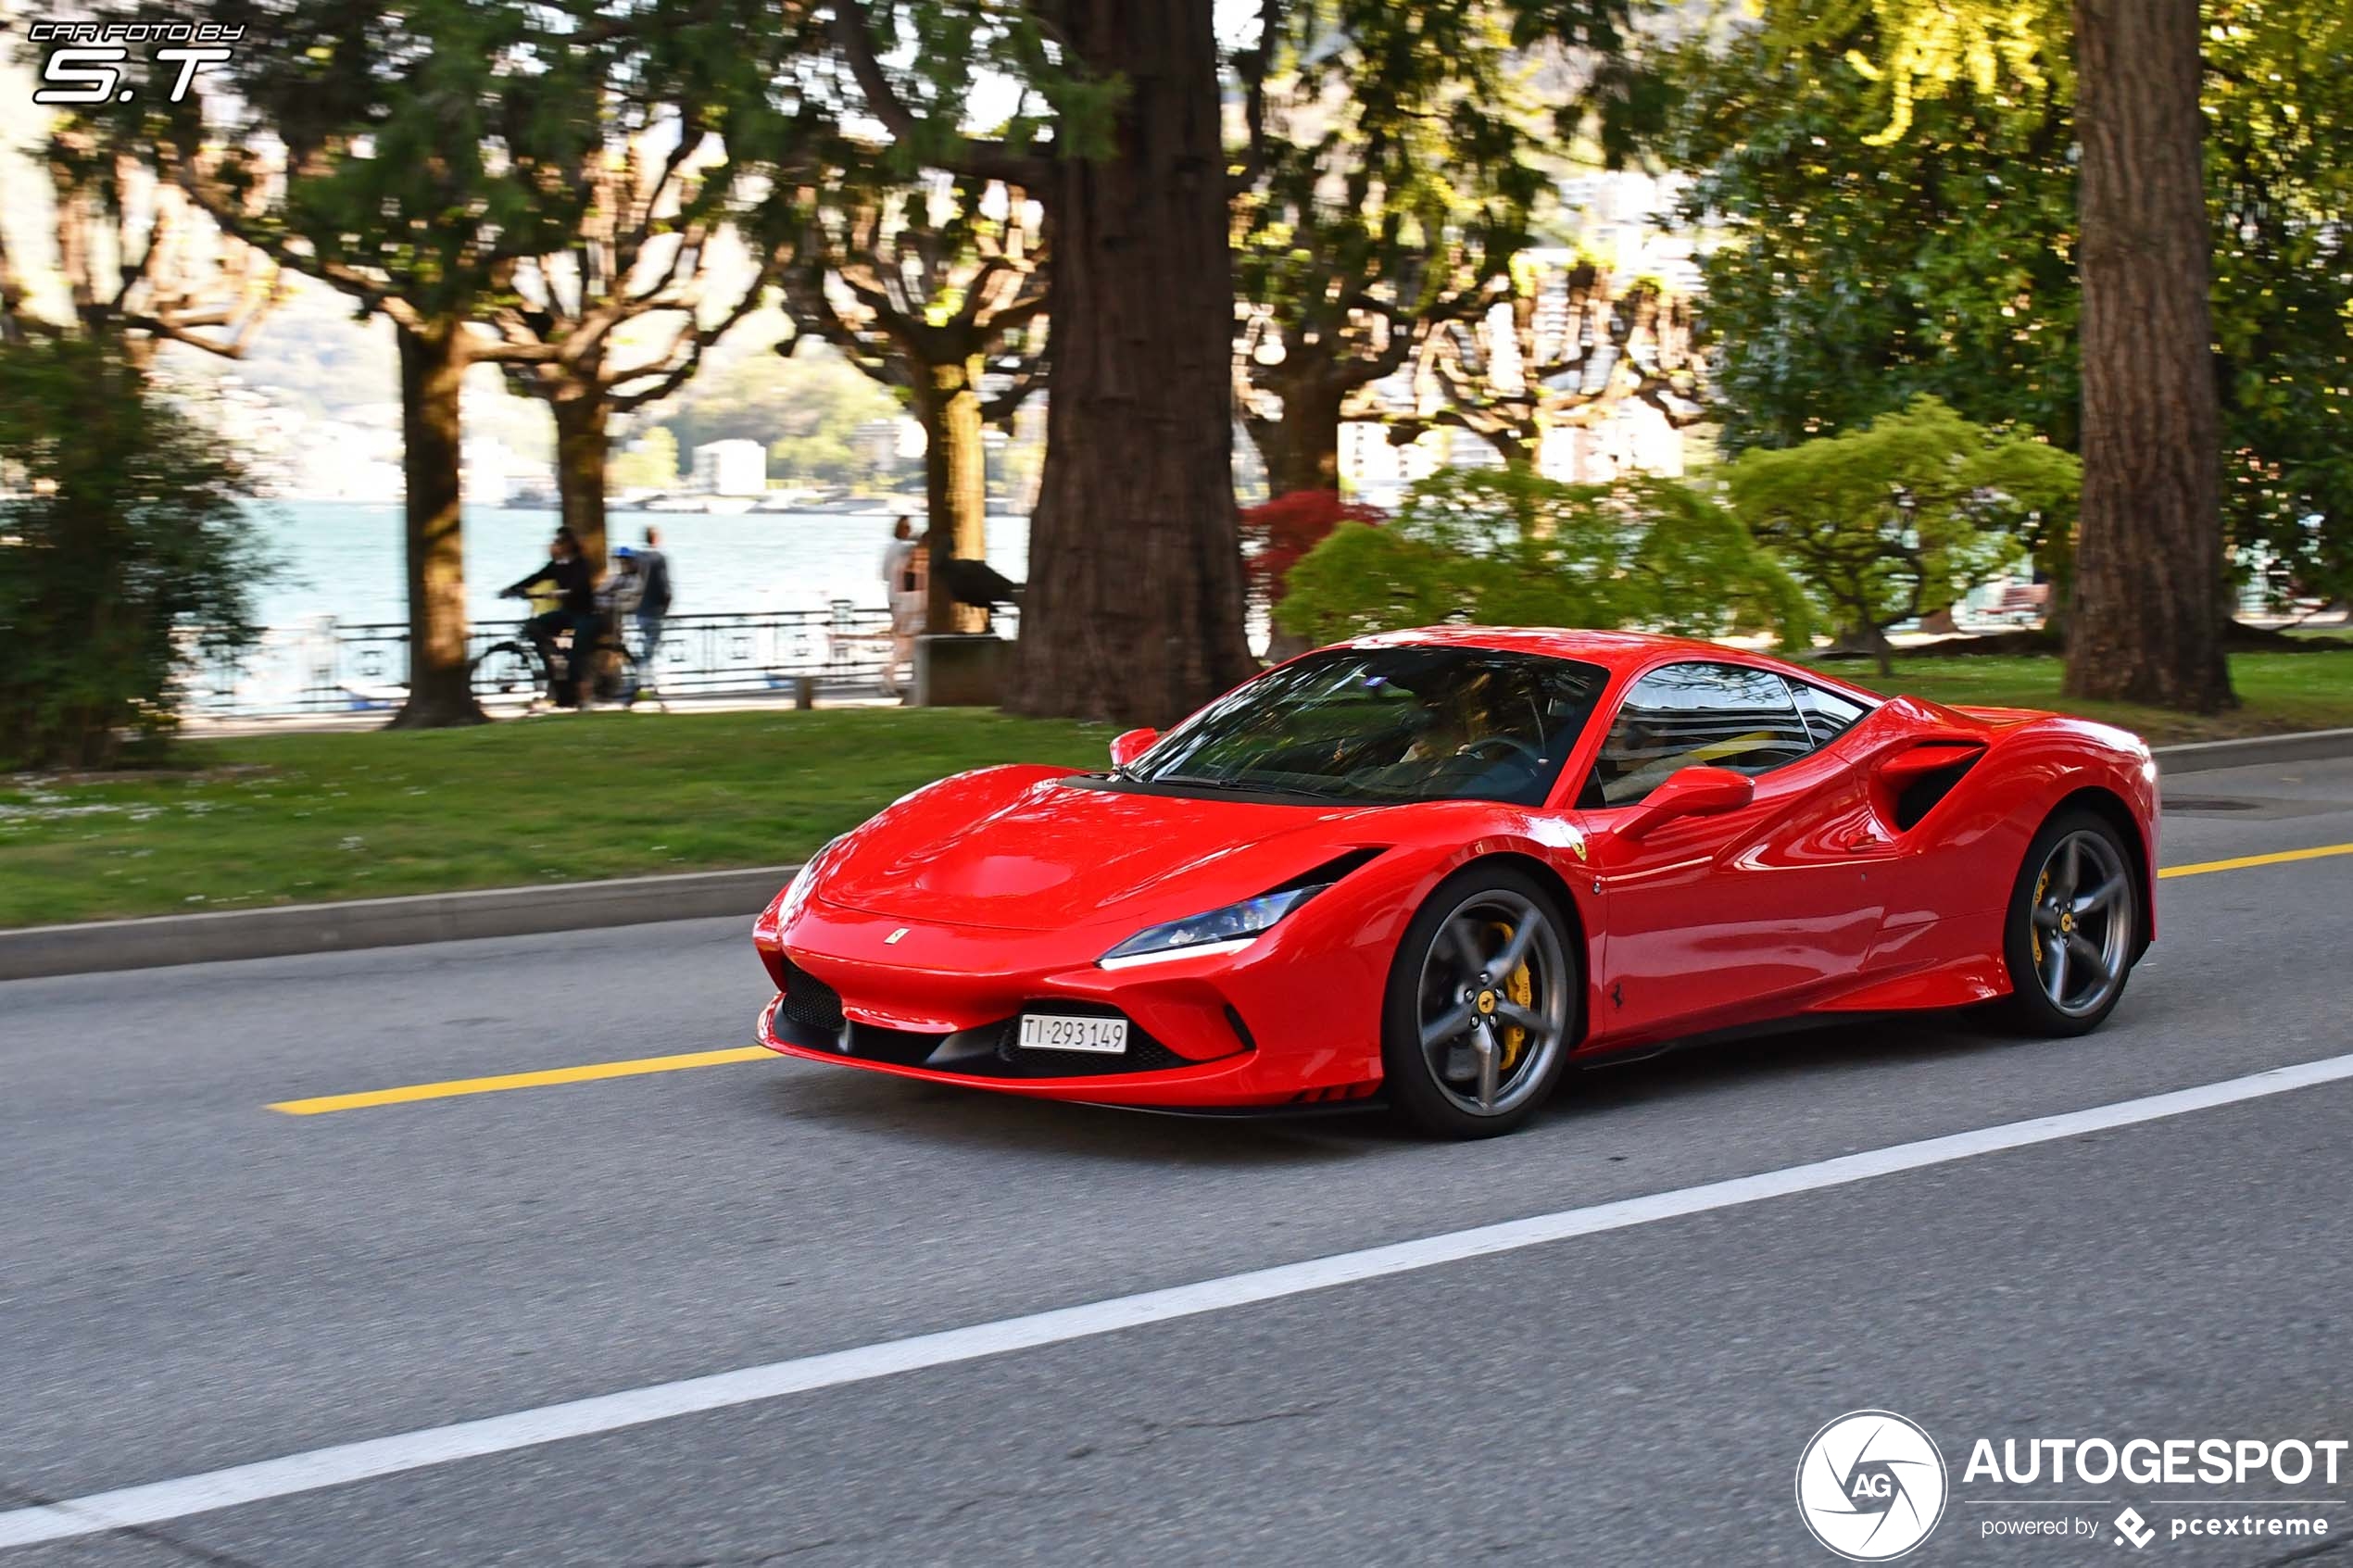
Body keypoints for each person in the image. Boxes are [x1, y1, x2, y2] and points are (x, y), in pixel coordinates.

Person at [501, 526, 598, 707]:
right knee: (534, 626)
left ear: (569, 544)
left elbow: (581, 587)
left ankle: (582, 697)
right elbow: (535, 577)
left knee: (576, 654)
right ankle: (554, 661)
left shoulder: (582, 564)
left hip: (585, 614)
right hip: (567, 613)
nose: (556, 545)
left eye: (559, 542)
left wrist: (564, 592)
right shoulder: (556, 566)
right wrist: (511, 589)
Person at [880, 516, 925, 697]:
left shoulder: (890, 548)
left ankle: (893, 678)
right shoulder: (906, 549)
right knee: (907, 641)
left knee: (903, 641)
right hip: (908, 599)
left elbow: (884, 575)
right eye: (908, 527)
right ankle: (895, 676)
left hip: (895, 597)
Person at [634, 525, 672, 671]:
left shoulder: (637, 556)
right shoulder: (659, 558)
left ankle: (648, 679)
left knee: (646, 647)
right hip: (655, 612)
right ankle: (644, 682)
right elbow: (665, 587)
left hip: (639, 611)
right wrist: (666, 607)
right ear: (656, 539)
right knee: (650, 651)